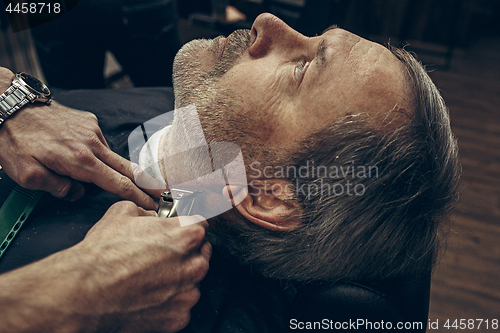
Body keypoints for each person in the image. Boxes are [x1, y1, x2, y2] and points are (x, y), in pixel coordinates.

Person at [0, 12, 460, 332]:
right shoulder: (194, 113)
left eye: (300, 70)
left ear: (266, 196)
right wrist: (8, 95)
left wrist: (61, 299)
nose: (267, 22)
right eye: (315, 37)